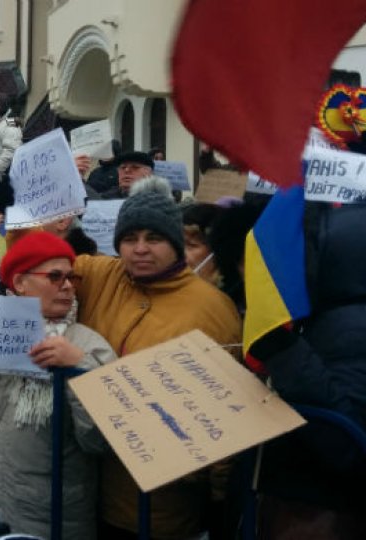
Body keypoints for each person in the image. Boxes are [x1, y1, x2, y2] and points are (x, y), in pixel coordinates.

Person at [73, 177, 241, 539]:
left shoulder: (213, 309)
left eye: (154, 238)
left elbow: (226, 414)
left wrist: (219, 500)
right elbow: (38, 268)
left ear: (176, 244)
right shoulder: (105, 275)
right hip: (89, 489)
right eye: (130, 239)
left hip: (163, 505)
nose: (140, 249)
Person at [0, 231, 116, 538]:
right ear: (19, 283)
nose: (68, 286)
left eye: (72, 277)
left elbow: (98, 440)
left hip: (47, 520)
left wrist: (79, 368)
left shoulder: (88, 345)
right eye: (55, 276)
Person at [244, 202, 366, 537]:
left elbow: (344, 443)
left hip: (322, 512)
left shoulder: (350, 334)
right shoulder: (325, 320)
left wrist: (282, 353)